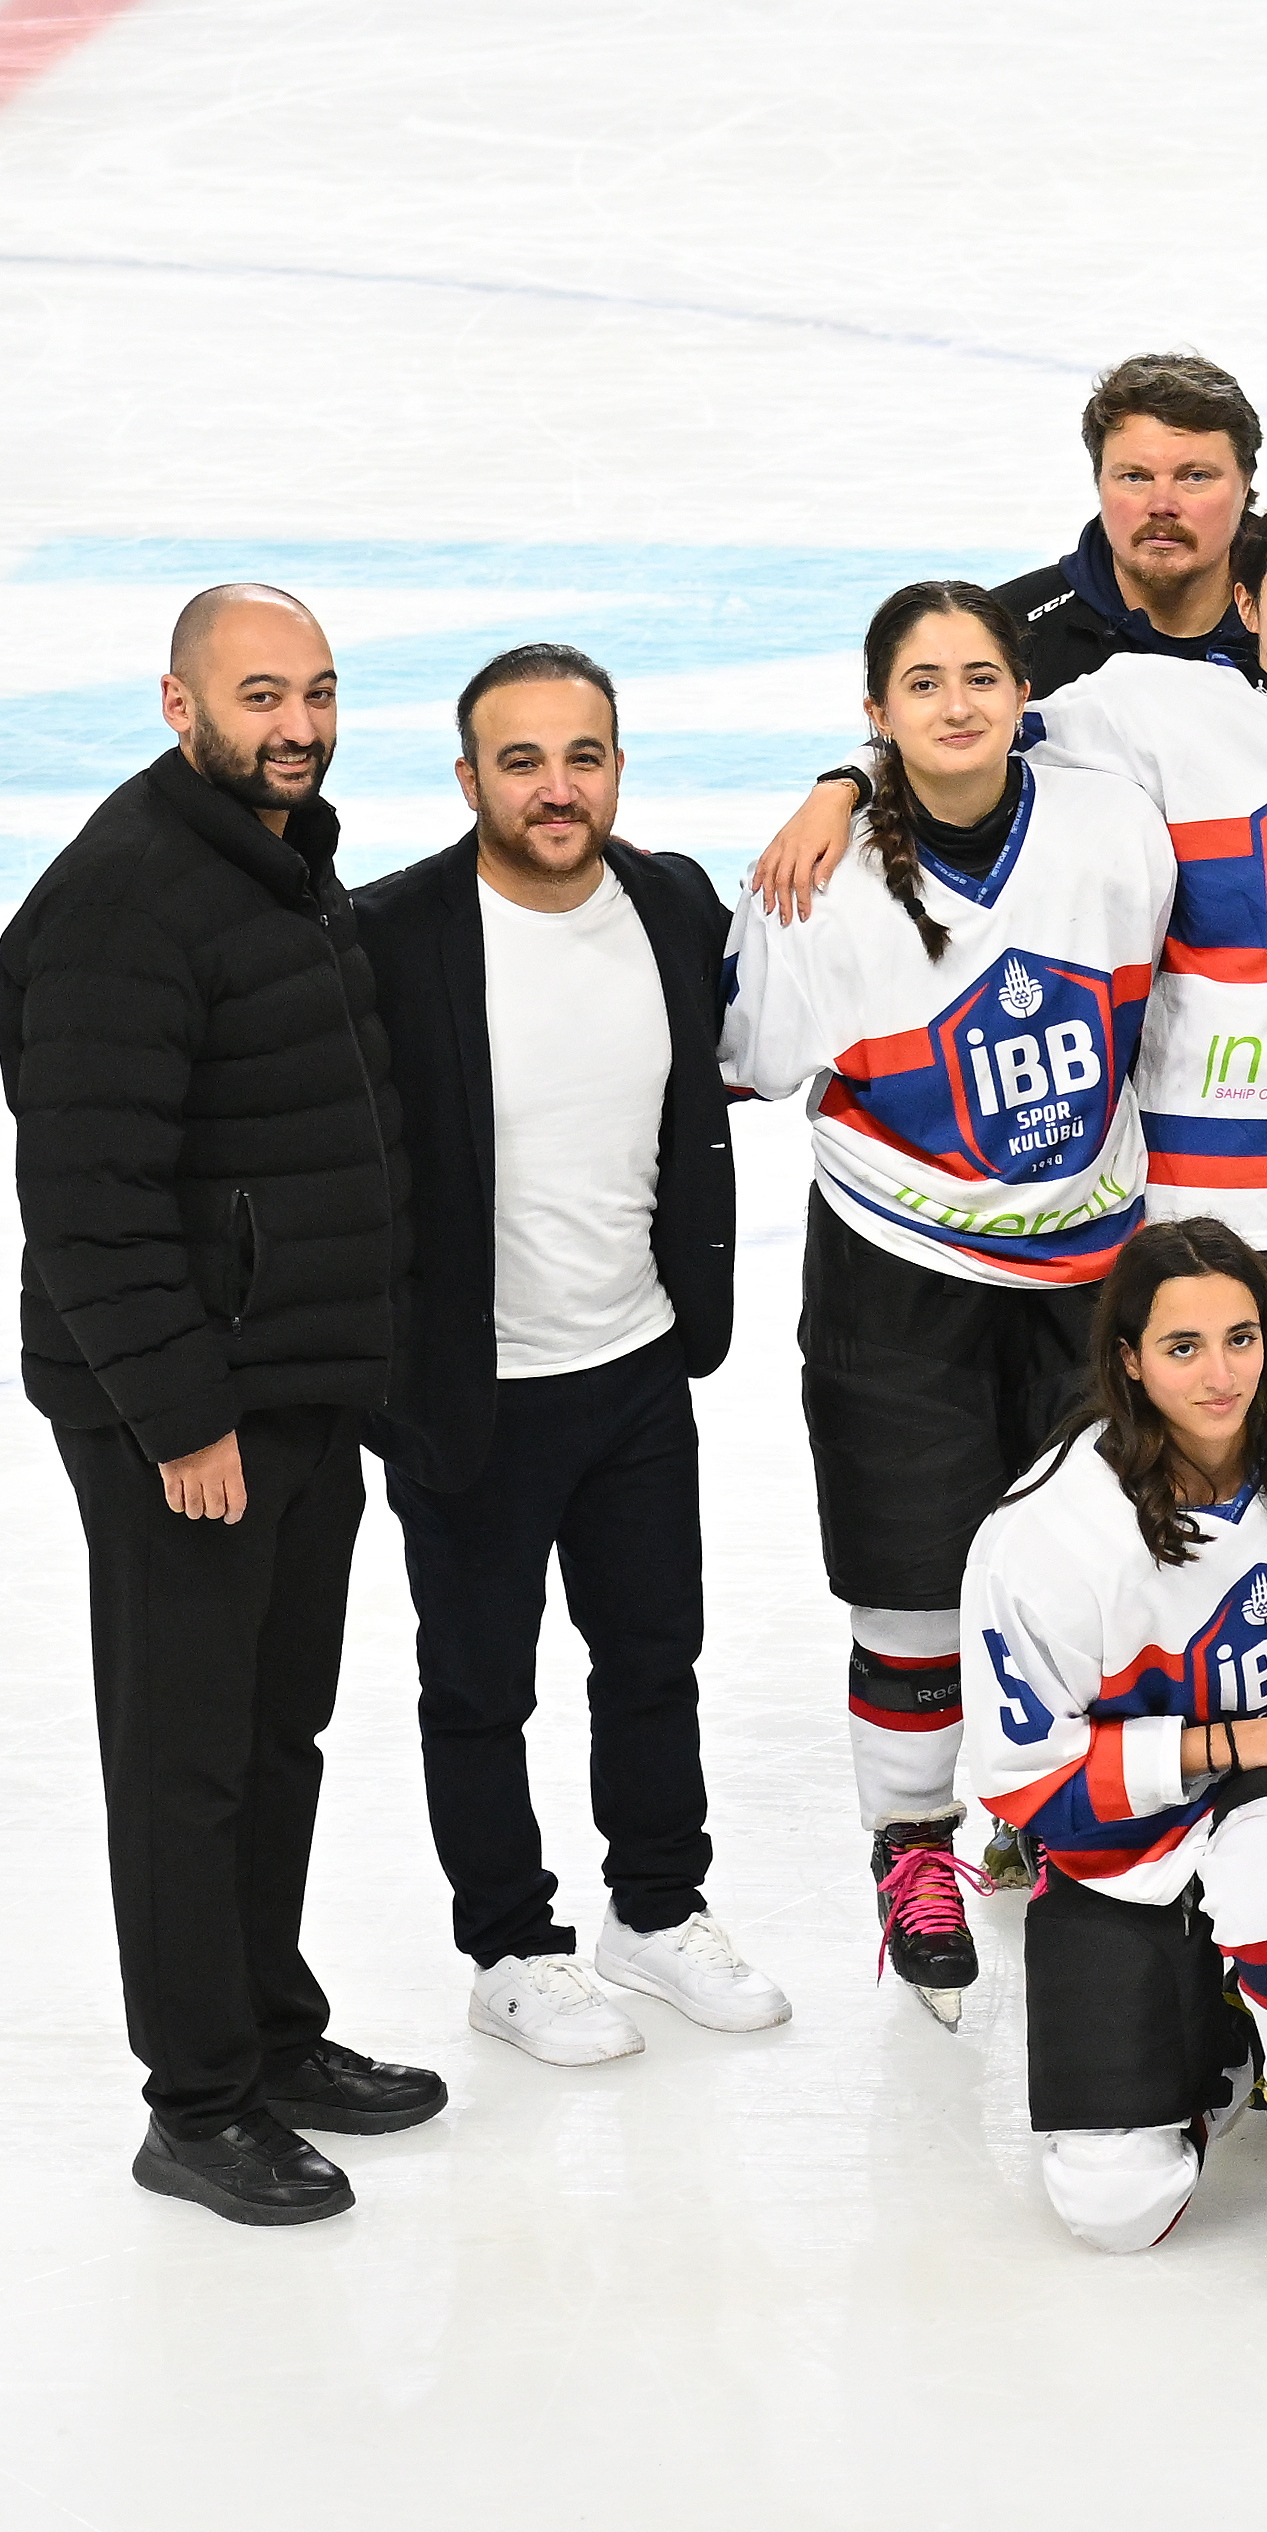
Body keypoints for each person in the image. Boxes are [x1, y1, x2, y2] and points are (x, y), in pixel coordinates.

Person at [0, 581, 441, 2224]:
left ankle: (269, 2032)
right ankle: (195, 2105)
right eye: (261, 696)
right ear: (179, 703)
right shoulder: (124, 896)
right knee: (185, 1761)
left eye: (317, 691)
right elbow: (90, 1199)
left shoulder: (284, 859)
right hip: (186, 1416)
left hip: (297, 1387)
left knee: (274, 1734)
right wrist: (182, 1417)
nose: (298, 725)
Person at [763, 498, 1267, 1406]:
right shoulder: (1145, 702)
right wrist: (844, 781)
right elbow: (969, 734)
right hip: (1231, 1195)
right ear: (1245, 600)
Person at [722, 581, 1173, 2016]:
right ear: (876, 713)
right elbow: (755, 1059)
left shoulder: (1111, 823)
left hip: (1086, 1269)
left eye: (982, 675)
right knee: (911, 1582)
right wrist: (839, 799)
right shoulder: (821, 875)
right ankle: (911, 1842)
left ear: (1023, 692)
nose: (958, 703)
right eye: (922, 683)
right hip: (896, 1268)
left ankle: (1048, 1806)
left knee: (1093, 1573)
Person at [359, 640, 768, 2067]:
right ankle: (510, 1949)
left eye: (580, 757)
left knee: (654, 1657)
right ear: (468, 778)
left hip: (636, 1363)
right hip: (471, 1390)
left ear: (617, 769)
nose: (554, 787)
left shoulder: (670, 901)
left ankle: (654, 1909)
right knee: (482, 1687)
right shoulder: (390, 934)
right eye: (520, 760)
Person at [955, 1223, 1267, 2276]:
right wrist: (1229, 1740)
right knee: (1116, 2206)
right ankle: (1228, 2019)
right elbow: (1032, 1788)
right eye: (1182, 1347)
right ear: (1128, 1359)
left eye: (1242, 1337)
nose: (1221, 1375)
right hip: (1128, 1838)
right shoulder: (1048, 1540)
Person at [992, 350, 1263, 695]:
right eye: (1135, 477)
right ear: (1099, 482)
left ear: (1245, 484)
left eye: (1195, 476)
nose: (1162, 505)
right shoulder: (1003, 636)